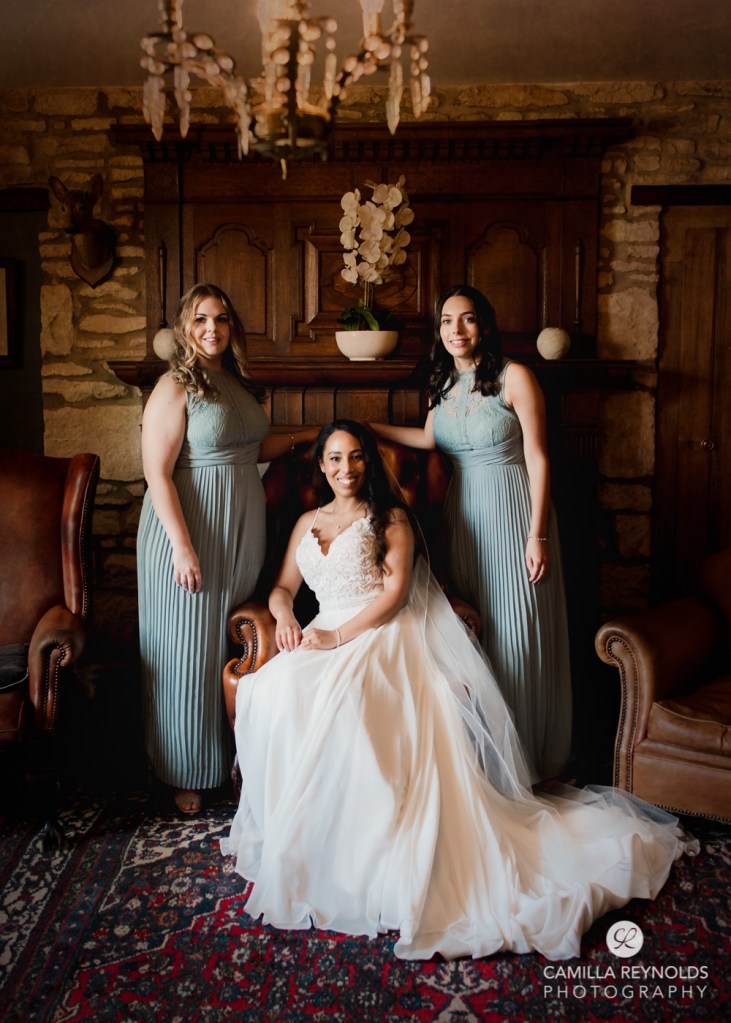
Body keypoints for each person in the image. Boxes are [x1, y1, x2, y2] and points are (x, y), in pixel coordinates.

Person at [221, 420, 696, 962]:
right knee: (272, 691)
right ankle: (308, 842)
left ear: (367, 462)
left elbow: (397, 595)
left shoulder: (390, 517)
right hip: (319, 633)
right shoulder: (308, 521)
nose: (345, 468)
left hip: (378, 634)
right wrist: (284, 617)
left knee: (349, 701)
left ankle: (372, 851)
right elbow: (283, 587)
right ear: (321, 466)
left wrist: (336, 637)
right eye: (334, 458)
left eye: (354, 457)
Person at [368, 284, 571, 782]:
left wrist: (537, 533)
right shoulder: (443, 385)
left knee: (521, 632)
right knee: (477, 634)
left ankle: (534, 759)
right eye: (446, 321)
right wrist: (370, 429)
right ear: (439, 331)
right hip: (465, 517)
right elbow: (427, 437)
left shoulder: (514, 377)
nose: (456, 330)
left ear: (484, 325)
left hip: (515, 510)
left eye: (467, 319)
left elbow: (539, 457)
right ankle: (490, 759)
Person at [137, 283, 317, 815]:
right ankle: (183, 770)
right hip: (188, 530)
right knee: (184, 652)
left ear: (231, 326)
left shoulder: (233, 382)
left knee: (223, 646)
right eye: (199, 320)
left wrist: (308, 434)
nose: (211, 328)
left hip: (239, 529)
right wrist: (182, 547)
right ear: (184, 328)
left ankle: (225, 760)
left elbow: (249, 447)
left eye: (220, 318)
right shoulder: (174, 386)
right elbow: (156, 472)